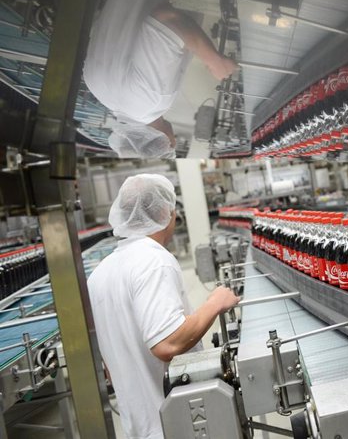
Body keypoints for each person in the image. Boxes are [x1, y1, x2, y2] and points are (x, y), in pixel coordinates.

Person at [87, 174, 239, 439]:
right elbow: (166, 344)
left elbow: (108, 366)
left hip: (139, 427)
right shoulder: (153, 261)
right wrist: (214, 303)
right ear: (163, 211)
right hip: (174, 424)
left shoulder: (100, 273)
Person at [83, 0, 237, 158]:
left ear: (168, 142)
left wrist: (215, 61)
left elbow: (166, 19)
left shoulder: (151, 102)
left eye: (172, 146)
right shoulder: (96, 88)